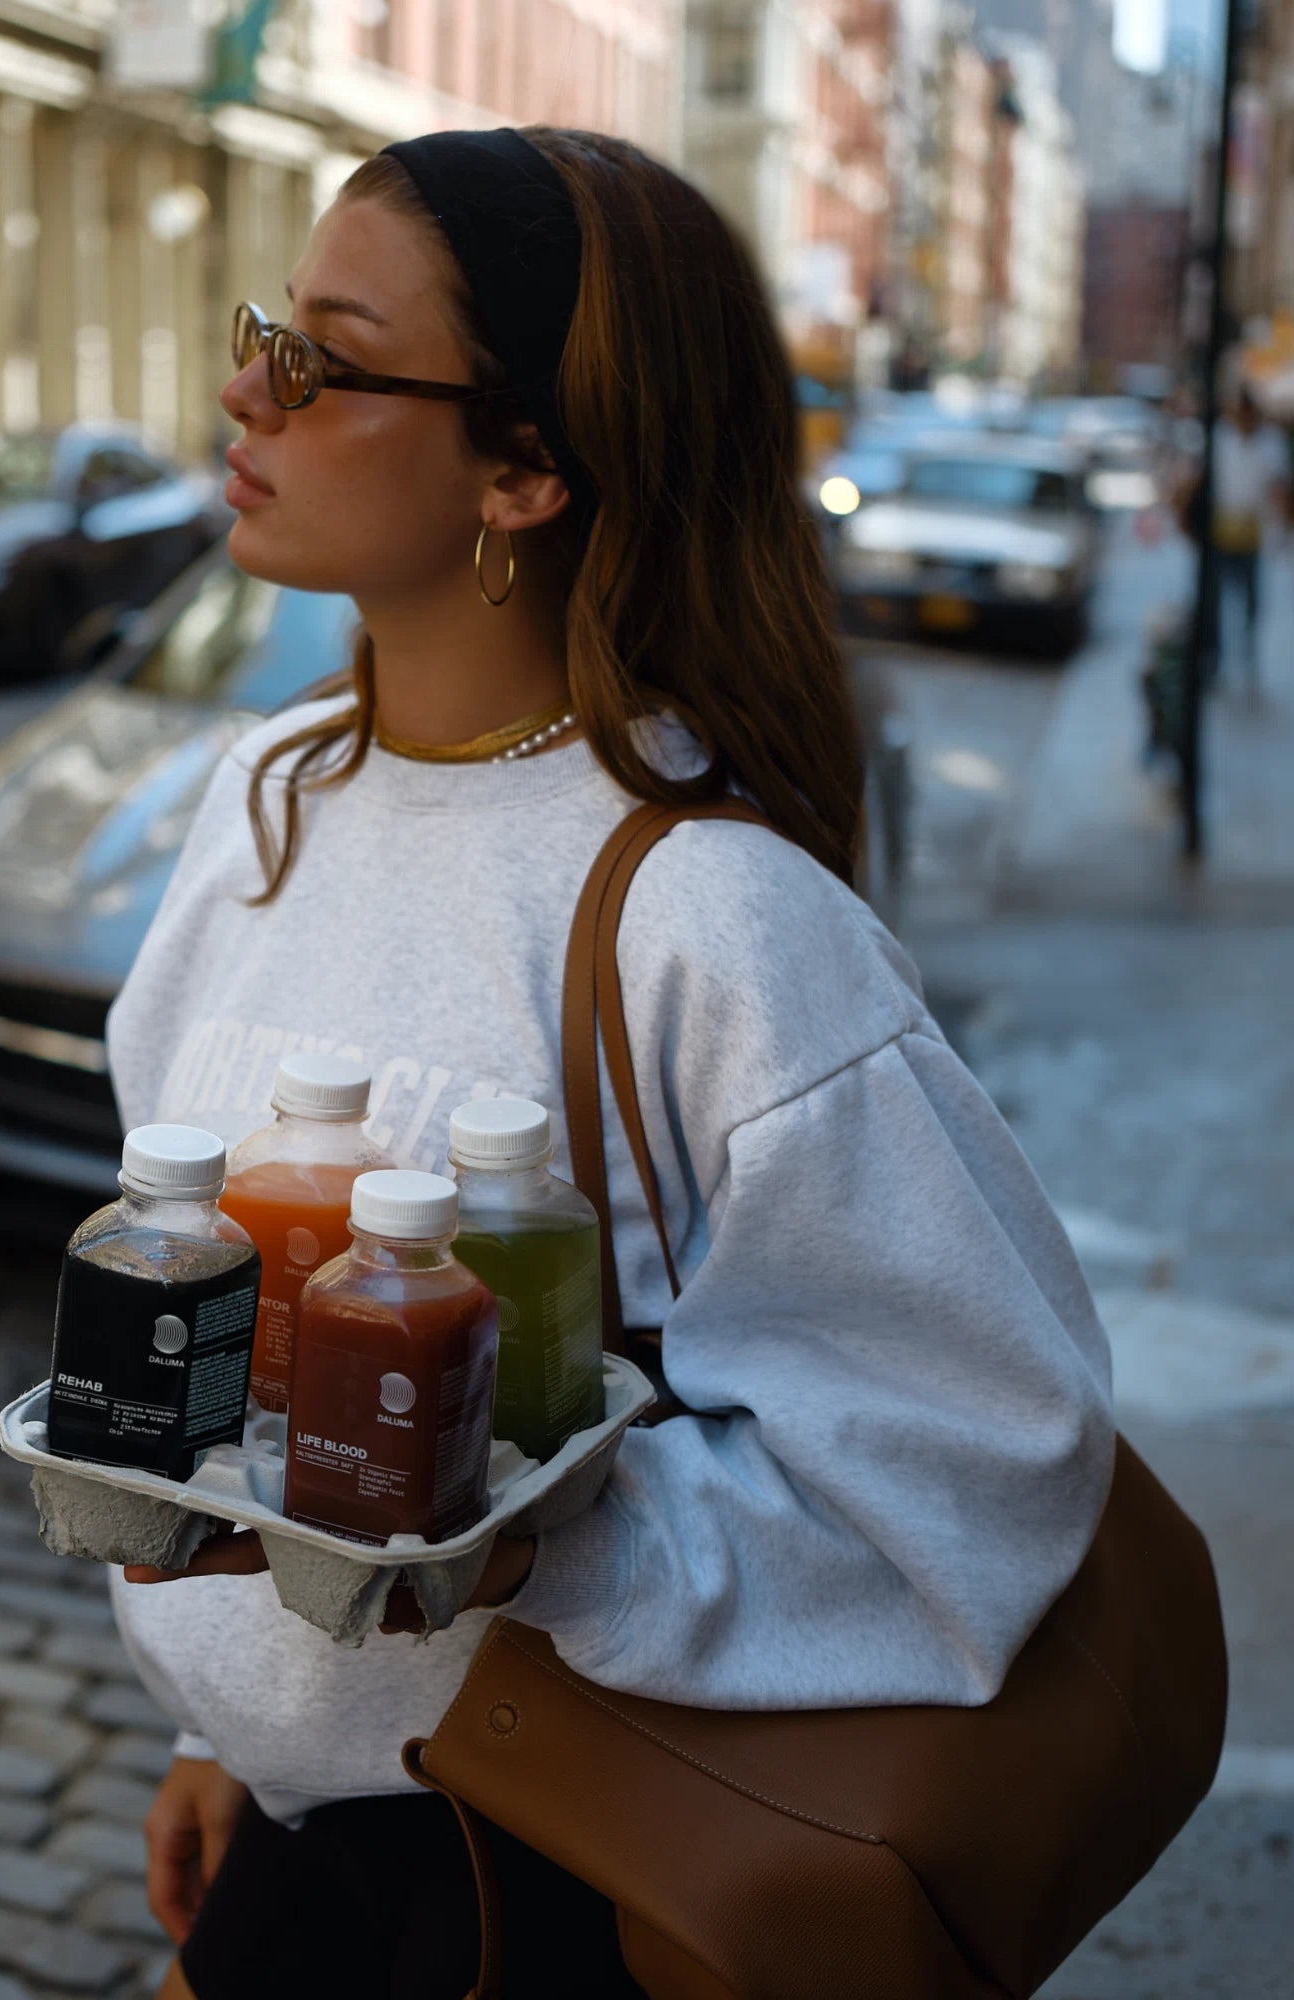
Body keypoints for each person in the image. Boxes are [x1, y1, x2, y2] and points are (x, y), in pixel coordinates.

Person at [102, 128, 1114, 2000]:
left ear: (529, 467)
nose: (246, 387)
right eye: (266, 330)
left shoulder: (715, 921)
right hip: (311, 1830)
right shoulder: (262, 796)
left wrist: (526, 1549)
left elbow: (978, 1468)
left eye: (324, 357)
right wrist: (227, 1730)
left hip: (542, 1869)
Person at [1179, 386, 1292, 690]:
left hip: (1251, 537)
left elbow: (1279, 489)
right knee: (1212, 603)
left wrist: (1283, 531)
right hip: (1219, 533)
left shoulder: (1269, 443)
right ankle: (1213, 661)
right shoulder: (1220, 438)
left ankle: (1247, 657)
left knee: (1251, 602)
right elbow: (1195, 480)